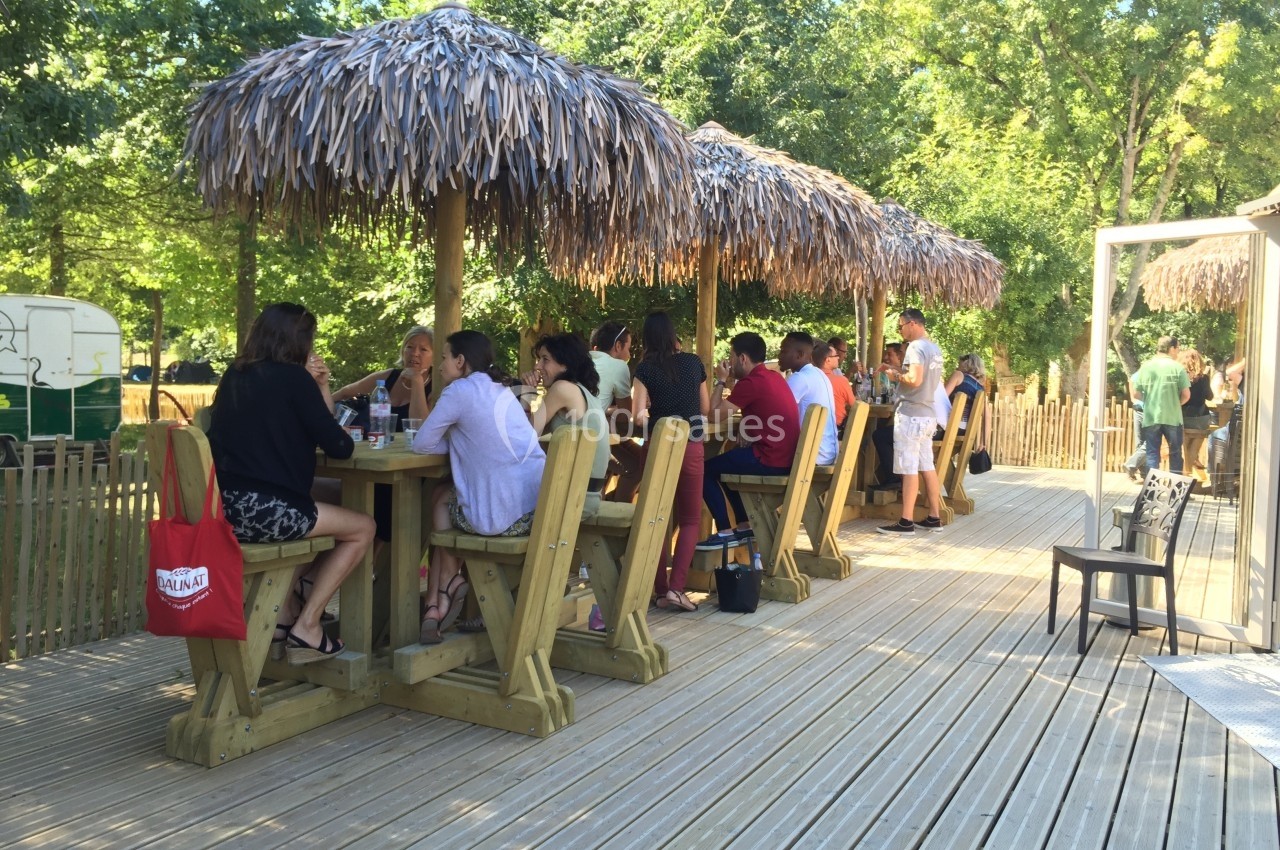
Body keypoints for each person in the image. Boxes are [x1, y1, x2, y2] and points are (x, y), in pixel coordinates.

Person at [207, 302, 375, 664]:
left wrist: (322, 385)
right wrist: (314, 386)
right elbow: (340, 446)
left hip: (225, 508)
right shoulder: (293, 379)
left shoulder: (235, 375)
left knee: (333, 498)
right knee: (363, 526)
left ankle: (284, 614)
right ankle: (308, 625)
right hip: (268, 513)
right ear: (299, 340)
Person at [410, 330, 545, 643]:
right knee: (444, 494)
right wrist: (467, 446)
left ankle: (441, 590)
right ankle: (442, 593)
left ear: (460, 361)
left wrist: (461, 448)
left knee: (440, 498)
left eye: (443, 357)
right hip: (537, 511)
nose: (441, 366)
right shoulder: (501, 389)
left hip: (503, 520)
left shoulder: (458, 392)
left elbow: (422, 444)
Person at [630, 312, 709, 612]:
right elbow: (703, 407)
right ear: (673, 335)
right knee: (689, 519)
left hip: (659, 447)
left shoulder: (645, 369)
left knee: (656, 516)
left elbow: (639, 416)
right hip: (691, 445)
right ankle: (678, 588)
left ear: (646, 338)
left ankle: (660, 590)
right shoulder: (693, 363)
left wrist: (653, 409)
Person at [698, 332, 801, 550]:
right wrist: (748, 428)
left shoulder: (752, 382)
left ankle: (725, 531)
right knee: (728, 464)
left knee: (703, 470)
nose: (730, 362)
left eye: (731, 357)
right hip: (785, 458)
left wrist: (720, 381)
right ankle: (744, 525)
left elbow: (712, 415)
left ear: (742, 358)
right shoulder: (773, 378)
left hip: (770, 460)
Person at [518, 333, 610, 517]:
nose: (537, 366)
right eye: (538, 359)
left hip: (573, 500)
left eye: (545, 360)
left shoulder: (562, 389)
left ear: (566, 363)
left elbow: (526, 436)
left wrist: (527, 392)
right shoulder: (581, 391)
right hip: (586, 495)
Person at [875, 309, 945, 535]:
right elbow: (922, 378)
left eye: (900, 326)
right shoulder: (934, 348)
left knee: (908, 468)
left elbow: (914, 380)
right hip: (927, 414)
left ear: (912, 323)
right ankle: (934, 517)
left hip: (911, 415)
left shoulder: (915, 347)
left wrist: (893, 376)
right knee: (927, 466)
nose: (900, 330)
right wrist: (896, 369)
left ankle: (906, 521)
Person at [333, 326, 433, 426]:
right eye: (410, 347)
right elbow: (344, 393)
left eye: (423, 349)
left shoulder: (437, 387)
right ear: (403, 350)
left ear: (435, 356)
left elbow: (420, 427)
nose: (415, 353)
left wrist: (417, 381)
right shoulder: (389, 376)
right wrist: (319, 409)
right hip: (375, 440)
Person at [778, 332, 839, 465]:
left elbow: (777, 415)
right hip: (826, 453)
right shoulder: (819, 374)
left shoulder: (800, 378)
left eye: (783, 351)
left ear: (799, 355)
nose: (779, 356)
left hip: (812, 457)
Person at [1133, 335, 1190, 474]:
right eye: (1178, 348)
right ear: (1171, 349)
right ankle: (1174, 491)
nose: (1178, 352)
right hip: (1173, 417)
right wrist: (1176, 404)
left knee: (1152, 454)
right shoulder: (1178, 368)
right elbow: (1186, 395)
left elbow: (1135, 394)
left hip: (1152, 417)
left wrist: (1149, 400)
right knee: (1175, 453)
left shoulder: (1146, 367)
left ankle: (1151, 491)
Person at [870, 342, 906, 490]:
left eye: (889, 354)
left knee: (880, 435)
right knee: (883, 433)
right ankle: (893, 478)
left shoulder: (909, 374)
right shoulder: (913, 372)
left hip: (920, 427)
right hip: (934, 426)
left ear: (900, 355)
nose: (885, 357)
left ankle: (893, 479)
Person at [1178, 348, 1213, 481]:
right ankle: (1186, 476)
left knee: (1184, 447)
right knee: (1194, 447)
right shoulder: (1204, 378)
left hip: (1183, 417)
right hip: (1200, 419)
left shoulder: (1180, 376)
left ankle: (1183, 475)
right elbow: (1210, 397)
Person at [944, 353, 990, 445]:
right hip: (965, 433)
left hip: (948, 429)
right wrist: (982, 444)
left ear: (966, 364)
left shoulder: (958, 375)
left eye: (959, 364)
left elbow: (942, 398)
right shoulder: (980, 388)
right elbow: (987, 417)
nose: (957, 367)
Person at [813, 341, 854, 429]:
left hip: (812, 427)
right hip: (835, 428)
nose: (838, 358)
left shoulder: (810, 379)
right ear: (828, 360)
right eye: (836, 355)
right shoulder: (841, 381)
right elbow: (854, 405)